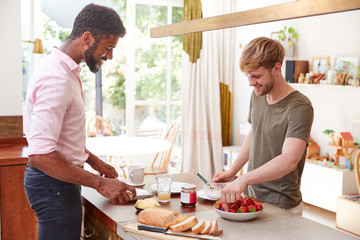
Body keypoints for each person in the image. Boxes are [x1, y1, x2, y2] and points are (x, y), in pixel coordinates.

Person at [24, 4, 136, 239]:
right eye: (108, 47)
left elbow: (62, 138)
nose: (110, 56)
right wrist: (100, 184)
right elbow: (41, 154)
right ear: (87, 38)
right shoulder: (56, 78)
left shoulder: (65, 71)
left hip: (57, 180)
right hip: (53, 182)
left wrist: (93, 161)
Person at [213, 37, 313, 215]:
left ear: (276, 68)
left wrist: (244, 179)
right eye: (248, 76)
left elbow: (289, 160)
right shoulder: (258, 95)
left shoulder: (299, 106)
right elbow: (254, 133)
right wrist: (233, 171)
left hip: (282, 205)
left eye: (256, 76)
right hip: (252, 198)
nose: (251, 83)